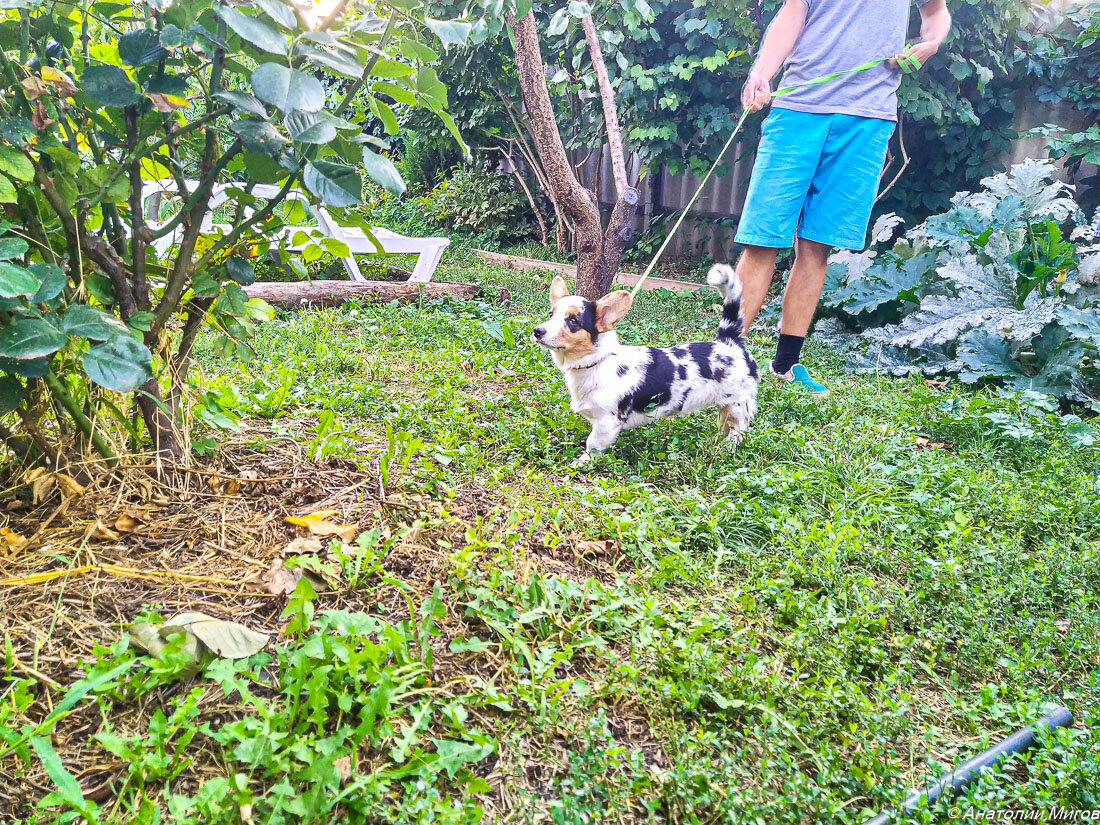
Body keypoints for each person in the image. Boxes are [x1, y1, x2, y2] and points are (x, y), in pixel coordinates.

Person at [734, 0, 952, 397]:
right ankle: (723, 360)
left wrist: (930, 43)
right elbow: (793, 13)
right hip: (799, 109)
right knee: (762, 238)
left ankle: (785, 365)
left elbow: (935, 12)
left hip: (867, 118)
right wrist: (762, 73)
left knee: (817, 245)